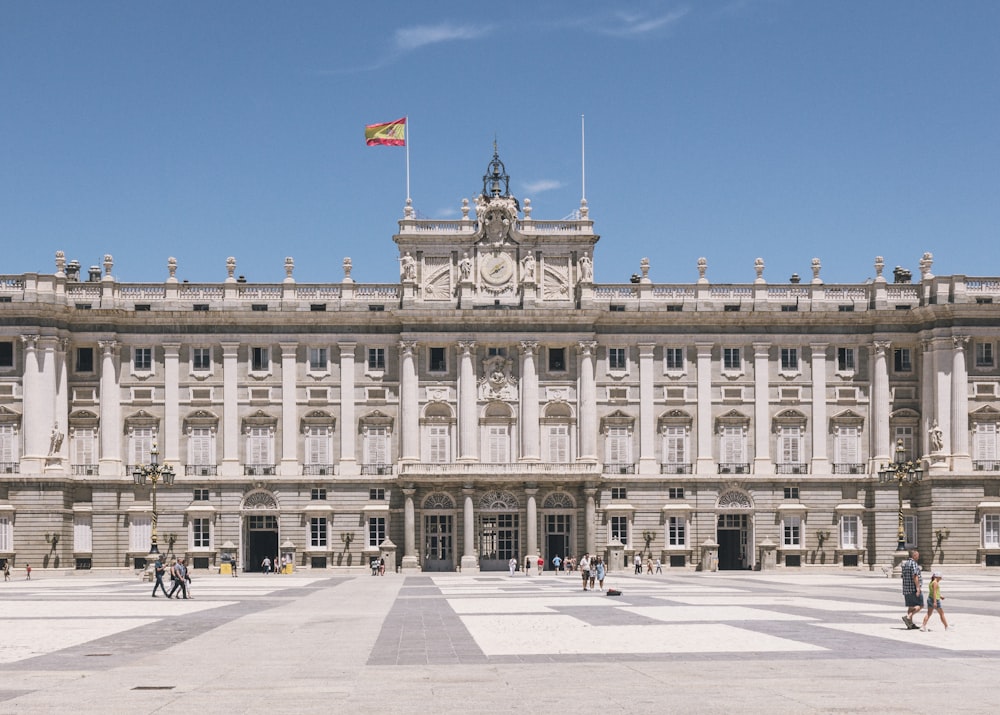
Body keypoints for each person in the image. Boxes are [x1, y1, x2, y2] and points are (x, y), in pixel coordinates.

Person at [901, 549, 923, 629]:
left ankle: (910, 624)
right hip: (913, 588)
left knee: (911, 606)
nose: (918, 556)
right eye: (917, 555)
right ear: (914, 556)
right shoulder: (913, 563)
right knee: (920, 605)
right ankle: (908, 616)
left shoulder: (905, 564)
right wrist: (918, 588)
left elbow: (902, 576)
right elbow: (915, 576)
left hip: (906, 588)